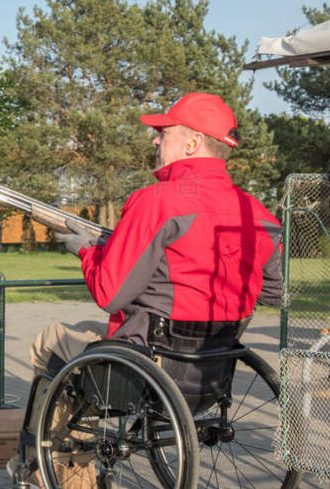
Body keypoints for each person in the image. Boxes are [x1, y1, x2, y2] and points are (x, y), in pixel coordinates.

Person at [30, 91, 283, 384]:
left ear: (193, 142)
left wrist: (87, 252)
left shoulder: (155, 202)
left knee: (49, 339)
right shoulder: (260, 214)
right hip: (214, 371)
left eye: (163, 133)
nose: (155, 140)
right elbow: (272, 292)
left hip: (150, 368)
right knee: (85, 328)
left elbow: (110, 294)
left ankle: (55, 432)